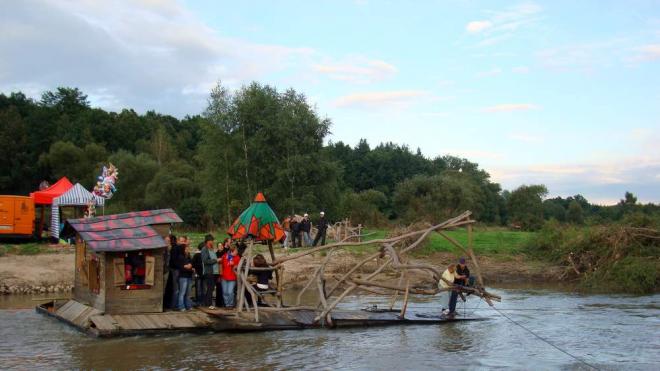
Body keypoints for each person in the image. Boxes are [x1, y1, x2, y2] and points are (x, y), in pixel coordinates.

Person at [201, 234, 221, 309]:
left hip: (215, 272)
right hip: (209, 272)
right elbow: (205, 261)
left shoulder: (212, 249)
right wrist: (216, 260)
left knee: (212, 288)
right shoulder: (204, 249)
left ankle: (209, 303)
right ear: (208, 241)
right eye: (212, 240)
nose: (213, 242)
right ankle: (208, 304)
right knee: (210, 287)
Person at [220, 243, 241, 308]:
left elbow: (239, 267)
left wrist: (235, 265)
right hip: (224, 277)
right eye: (236, 251)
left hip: (232, 277)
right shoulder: (225, 256)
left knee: (230, 292)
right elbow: (221, 264)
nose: (237, 252)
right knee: (225, 292)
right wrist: (220, 274)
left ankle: (230, 304)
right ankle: (227, 304)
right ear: (232, 250)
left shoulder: (237, 258)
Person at [176, 242, 194, 311]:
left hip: (189, 276)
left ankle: (188, 306)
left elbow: (191, 264)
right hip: (183, 276)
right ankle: (181, 306)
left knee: (188, 293)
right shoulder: (180, 257)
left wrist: (189, 266)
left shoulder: (189, 256)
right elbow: (181, 267)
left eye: (188, 248)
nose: (187, 249)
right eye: (186, 248)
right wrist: (187, 266)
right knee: (182, 292)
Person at [214, 240, 230, 308]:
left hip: (225, 272)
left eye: (221, 246)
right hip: (217, 272)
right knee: (219, 288)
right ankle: (218, 303)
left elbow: (229, 260)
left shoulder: (226, 253)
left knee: (225, 288)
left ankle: (225, 303)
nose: (220, 247)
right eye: (219, 246)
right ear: (217, 247)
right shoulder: (215, 254)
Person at [192, 242, 204, 306]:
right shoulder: (197, 255)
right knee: (198, 288)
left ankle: (203, 301)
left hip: (204, 275)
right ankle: (198, 301)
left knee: (203, 289)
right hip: (198, 274)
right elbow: (193, 264)